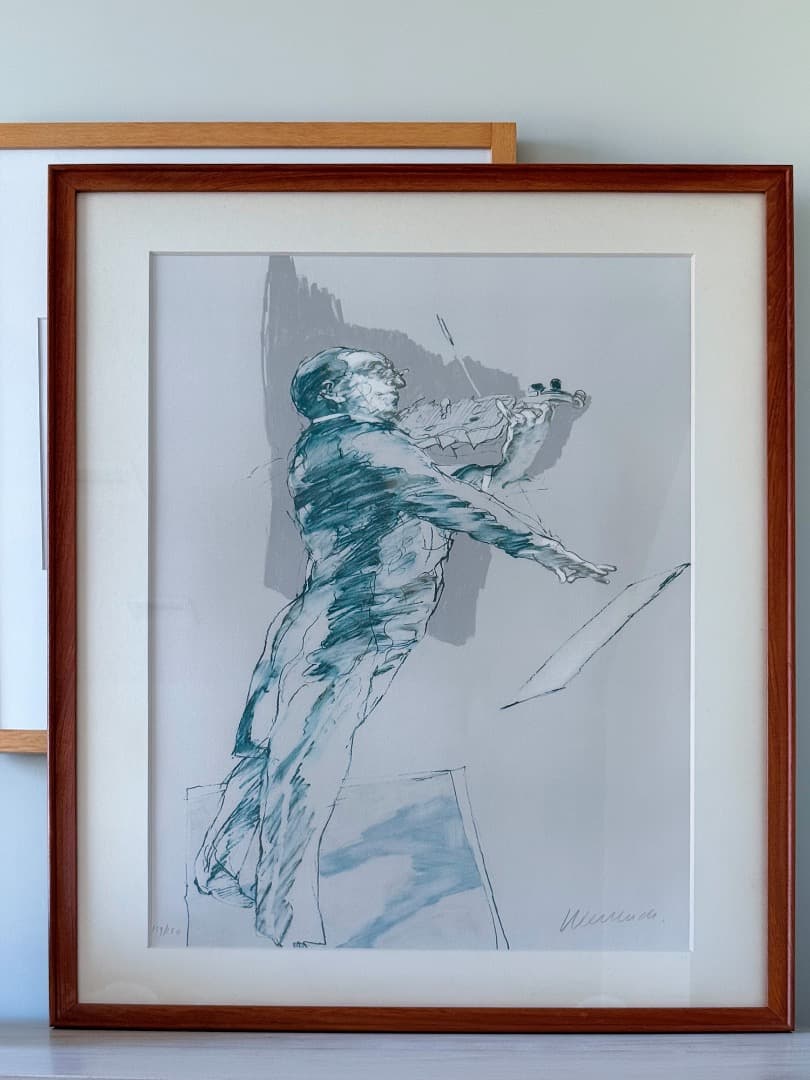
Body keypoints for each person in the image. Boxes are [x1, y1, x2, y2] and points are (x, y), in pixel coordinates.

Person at [194, 347, 614, 946]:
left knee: (272, 755)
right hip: (348, 629)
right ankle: (283, 918)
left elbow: (484, 474)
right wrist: (555, 555)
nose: (396, 378)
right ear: (335, 393)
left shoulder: (370, 446)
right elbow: (463, 502)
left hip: (332, 625)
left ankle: (218, 868)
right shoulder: (360, 446)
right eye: (377, 373)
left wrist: (527, 420)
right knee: (308, 768)